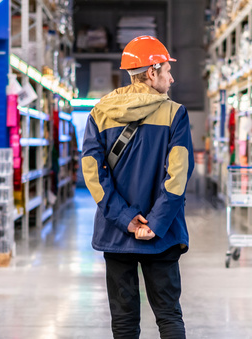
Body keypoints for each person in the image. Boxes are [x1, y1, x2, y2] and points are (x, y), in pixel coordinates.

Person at [80, 35, 193, 339]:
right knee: (169, 316)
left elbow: (93, 172)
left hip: (117, 234)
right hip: (161, 235)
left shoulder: (100, 112)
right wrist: (154, 224)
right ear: (152, 72)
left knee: (124, 321)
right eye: (167, 71)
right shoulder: (175, 114)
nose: (172, 78)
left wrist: (125, 219)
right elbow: (178, 175)